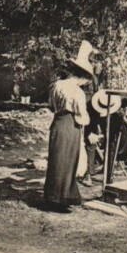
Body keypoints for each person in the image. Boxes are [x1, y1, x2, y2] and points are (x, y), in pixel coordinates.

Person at [44, 42, 95, 212]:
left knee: (56, 158)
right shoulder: (77, 92)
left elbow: (51, 106)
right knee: (68, 159)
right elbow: (81, 116)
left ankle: (51, 195)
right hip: (70, 124)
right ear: (82, 77)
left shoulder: (56, 85)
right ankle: (62, 197)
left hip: (57, 123)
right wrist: (87, 122)